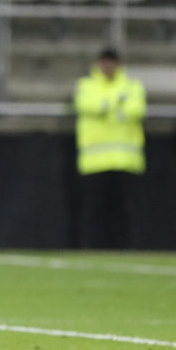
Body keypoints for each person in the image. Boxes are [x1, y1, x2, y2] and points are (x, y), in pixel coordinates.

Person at [74, 48, 146, 249]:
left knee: (125, 211)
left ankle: (127, 249)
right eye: (104, 63)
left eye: (111, 62)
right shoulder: (86, 85)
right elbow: (86, 105)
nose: (108, 67)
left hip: (126, 161)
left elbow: (137, 109)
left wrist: (105, 107)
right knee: (94, 212)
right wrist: (117, 105)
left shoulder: (132, 85)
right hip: (94, 162)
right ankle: (90, 249)